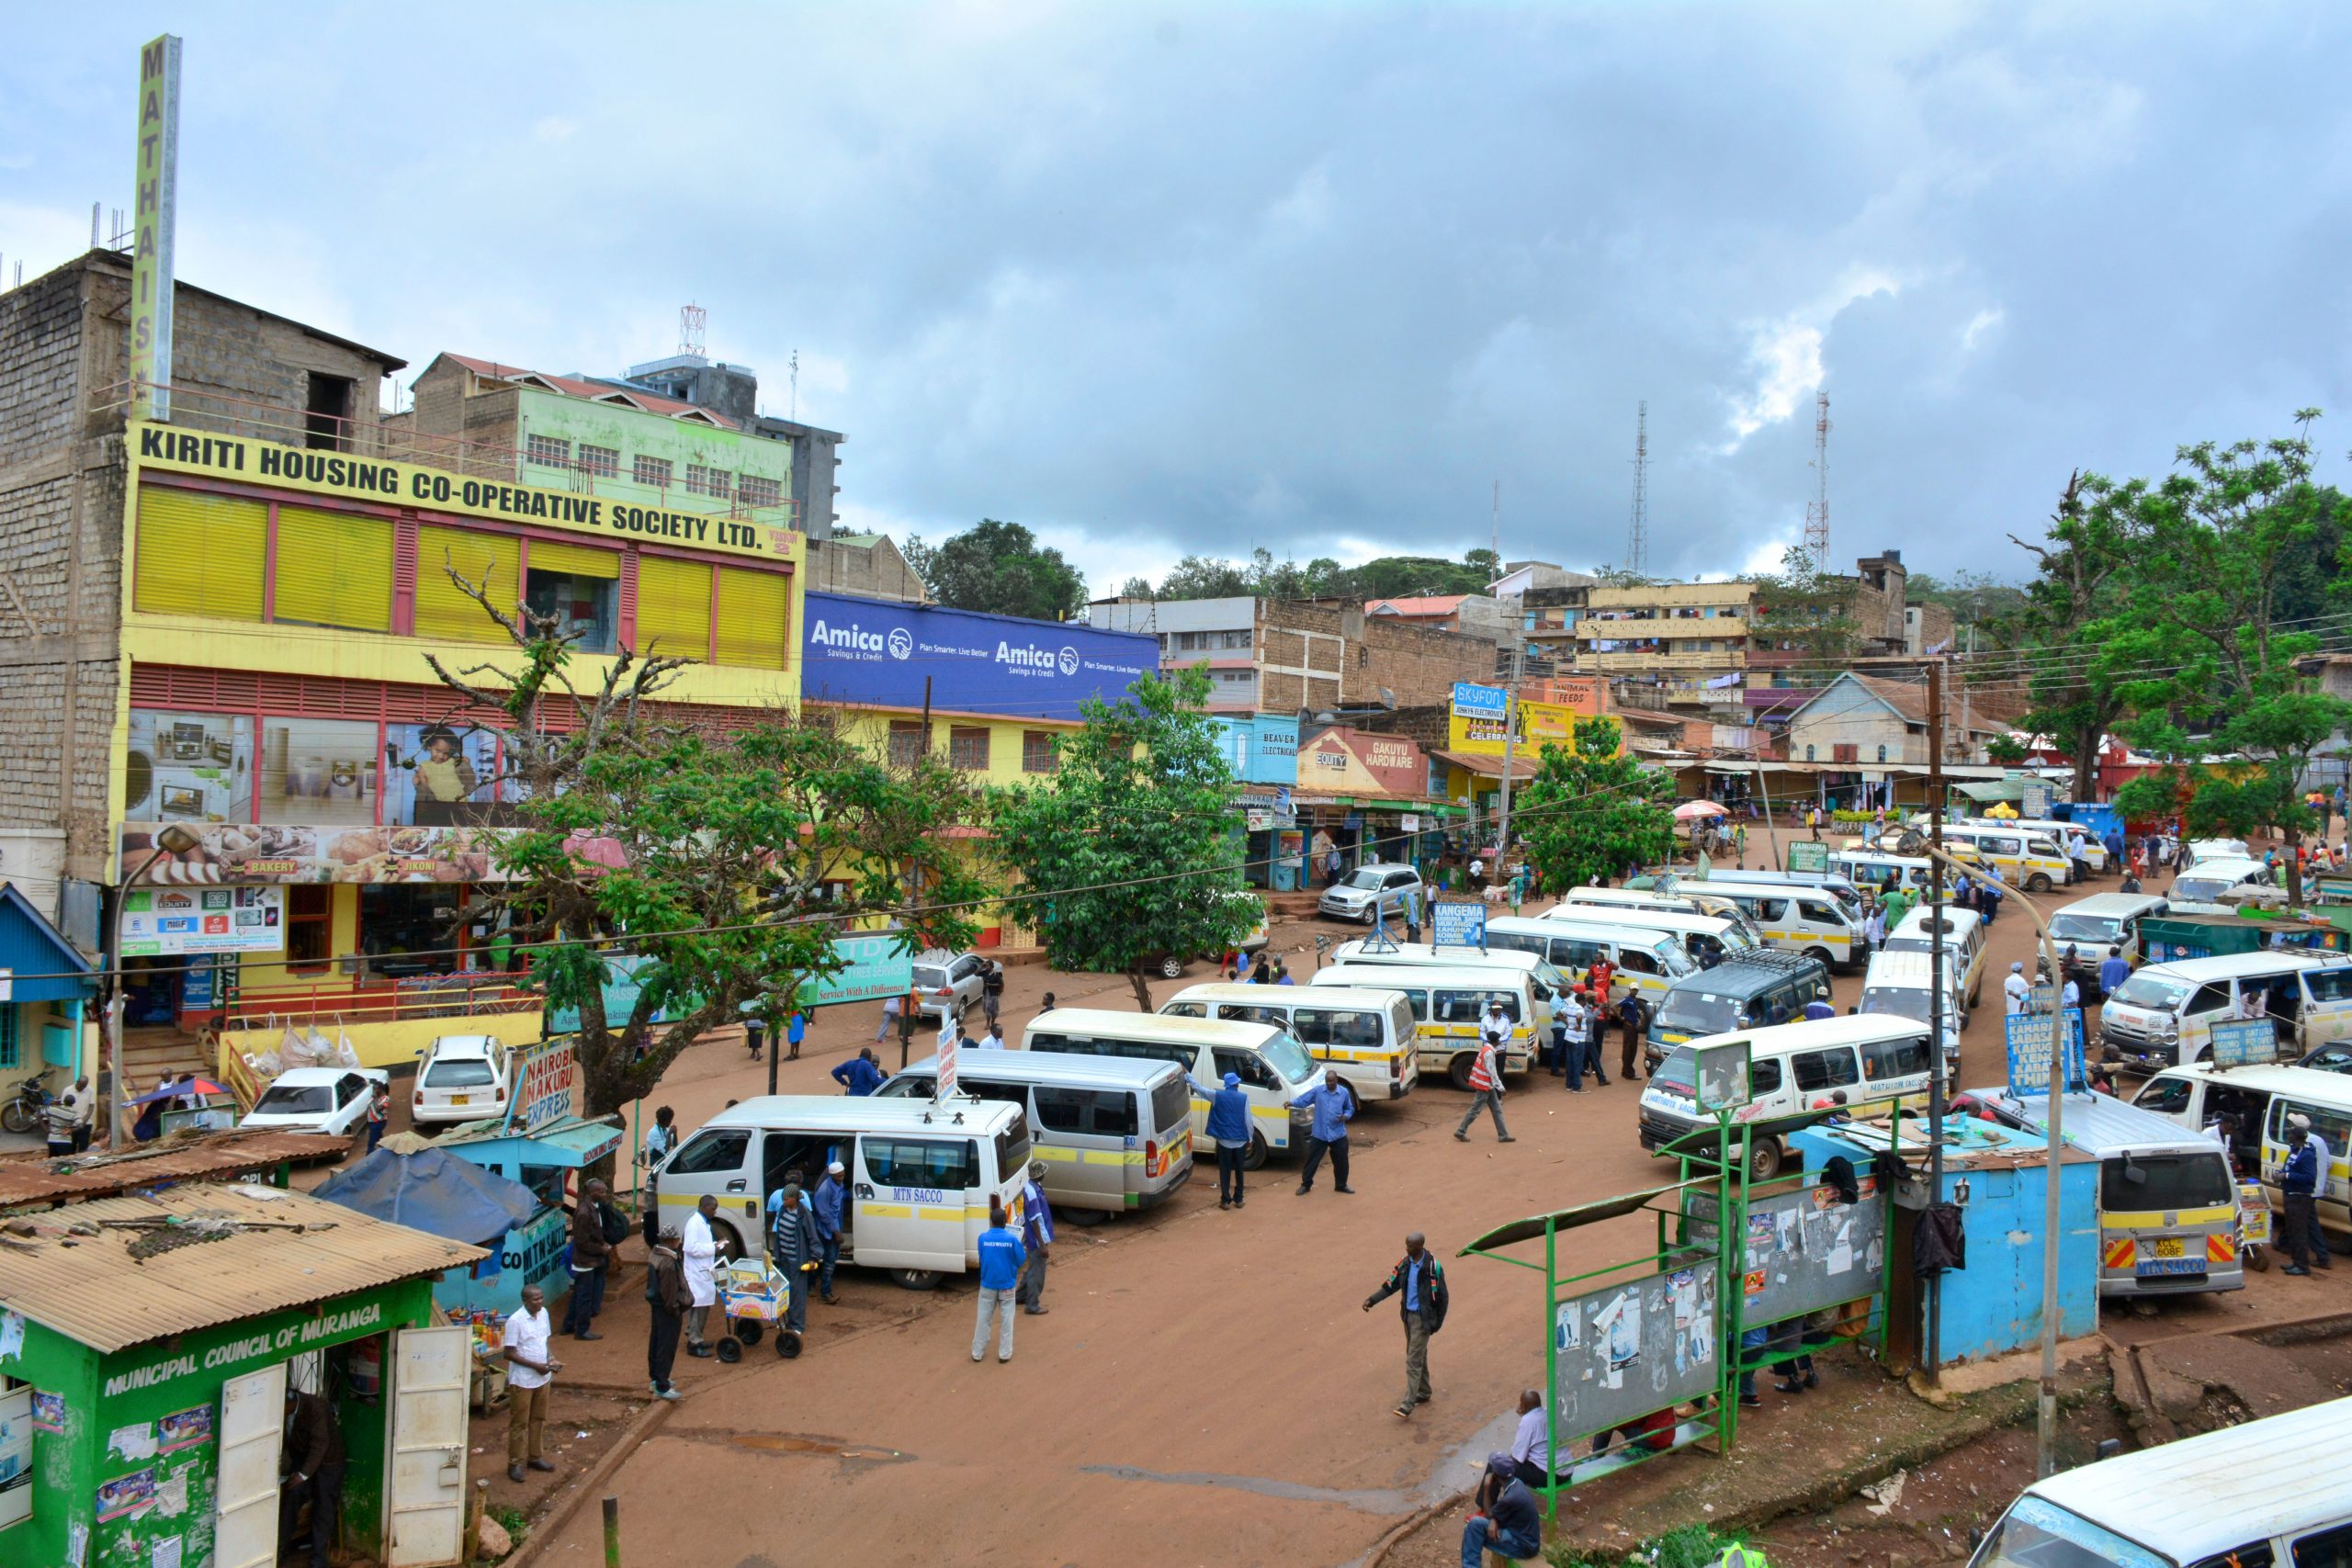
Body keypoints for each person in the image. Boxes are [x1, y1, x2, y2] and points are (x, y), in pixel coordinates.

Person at [1363, 1231, 1448, 1419]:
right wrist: (1372, 1300)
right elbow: (1391, 1285)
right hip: (1408, 1317)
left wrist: (1435, 1324)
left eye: (1409, 1245)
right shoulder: (1405, 1263)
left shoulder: (1432, 1267)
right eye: (1406, 1244)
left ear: (1420, 1246)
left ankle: (1408, 1404)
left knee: (1412, 1360)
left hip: (1423, 1320)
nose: (1406, 1247)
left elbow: (1443, 1298)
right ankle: (1424, 1392)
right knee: (1418, 1354)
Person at [280, 1382, 347, 1568]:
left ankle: (319, 1558)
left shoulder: (314, 1407)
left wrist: (303, 1474)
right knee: (292, 1495)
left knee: (324, 1506)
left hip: (328, 1462)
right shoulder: (285, 1412)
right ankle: (281, 1548)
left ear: (290, 1404)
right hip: (304, 1459)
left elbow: (320, 1444)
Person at [502, 1283, 560, 1481]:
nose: (540, 1302)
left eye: (541, 1298)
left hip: (543, 1377)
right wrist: (535, 1365)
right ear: (525, 1301)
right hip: (523, 1381)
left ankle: (535, 1457)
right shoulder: (515, 1321)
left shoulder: (543, 1314)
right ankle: (514, 1463)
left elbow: (544, 1342)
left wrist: (551, 1359)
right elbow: (509, 1354)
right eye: (535, 1299)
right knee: (519, 1423)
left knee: (538, 1419)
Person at [1459, 1450, 1542, 1566]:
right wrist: (1494, 1519)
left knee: (1473, 1528)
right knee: (1476, 1525)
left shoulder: (1511, 1498)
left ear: (1495, 1475)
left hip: (1523, 1547)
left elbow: (1488, 1515)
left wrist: (1487, 1488)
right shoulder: (1517, 1483)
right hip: (1526, 1539)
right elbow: (1495, 1515)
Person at [972, 1196, 1026, 1363]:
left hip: (987, 1284)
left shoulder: (983, 1238)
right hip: (1007, 1286)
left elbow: (982, 1257)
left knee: (983, 1319)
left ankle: (977, 1352)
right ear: (1005, 1221)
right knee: (1007, 1320)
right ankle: (1004, 1354)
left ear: (991, 1222)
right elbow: (1021, 1261)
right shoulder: (1011, 1240)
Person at [1192, 1069, 1253, 1208]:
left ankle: (1225, 1200)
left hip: (1224, 1141)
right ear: (1236, 1085)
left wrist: (1187, 1076)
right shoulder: (1244, 1098)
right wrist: (1250, 1138)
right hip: (1240, 1141)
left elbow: (1198, 1089)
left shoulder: (1216, 1096)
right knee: (1239, 1170)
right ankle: (1239, 1199)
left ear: (1226, 1085)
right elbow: (1248, 1121)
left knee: (1225, 1171)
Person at [1292, 1068, 1357, 1194]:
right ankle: (1306, 1185)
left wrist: (1346, 1116)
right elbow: (1304, 1100)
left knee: (1342, 1162)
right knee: (1312, 1160)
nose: (1330, 1083)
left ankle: (1341, 1185)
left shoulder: (1343, 1093)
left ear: (1336, 1080)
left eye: (1332, 1081)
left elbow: (1350, 1109)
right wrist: (1292, 1103)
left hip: (1337, 1134)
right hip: (1320, 1134)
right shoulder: (1318, 1091)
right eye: (1327, 1081)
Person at [565, 1179, 614, 1340]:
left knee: (579, 1293)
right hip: (585, 1262)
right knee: (584, 1296)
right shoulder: (585, 1213)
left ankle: (568, 1325)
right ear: (592, 1193)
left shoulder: (594, 1208)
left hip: (589, 1260)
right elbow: (582, 1242)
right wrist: (602, 1249)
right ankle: (582, 1330)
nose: (604, 1194)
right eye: (601, 1191)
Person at [769, 1183, 819, 1340]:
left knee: (797, 1293)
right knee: (784, 1291)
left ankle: (797, 1325)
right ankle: (787, 1321)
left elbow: (813, 1237)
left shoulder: (804, 1215)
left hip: (798, 1261)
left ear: (796, 1199)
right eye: (783, 1198)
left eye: (787, 1198)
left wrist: (813, 1258)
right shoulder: (783, 1210)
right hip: (784, 1258)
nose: (784, 1201)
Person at [1455, 1010, 1513, 1144]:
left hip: (1487, 1084)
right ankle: (1461, 1131)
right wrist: (1501, 1087)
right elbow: (1492, 1072)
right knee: (1475, 1110)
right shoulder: (1489, 1053)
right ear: (1497, 1041)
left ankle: (1503, 1135)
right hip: (1485, 1085)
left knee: (1497, 1109)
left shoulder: (1485, 1049)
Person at [2288, 1113, 2335, 1269]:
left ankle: (2322, 1257)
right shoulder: (2319, 1140)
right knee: (2302, 1221)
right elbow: (2328, 1163)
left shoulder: (2304, 1145)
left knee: (2306, 1224)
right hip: (2315, 1188)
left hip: (2306, 1190)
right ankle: (2285, 1244)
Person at [645, 1225, 687, 1400]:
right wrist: (675, 1309)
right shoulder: (668, 1262)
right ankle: (663, 1385)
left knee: (656, 1341)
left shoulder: (655, 1254)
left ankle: (656, 1378)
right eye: (677, 1239)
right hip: (667, 1308)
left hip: (656, 1305)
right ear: (671, 1241)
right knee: (666, 1346)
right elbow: (669, 1291)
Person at [682, 1194, 720, 1357]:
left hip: (702, 1272)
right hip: (697, 1274)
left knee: (700, 1307)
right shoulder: (694, 1224)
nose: (715, 1212)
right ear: (704, 1207)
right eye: (713, 1209)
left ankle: (695, 1335)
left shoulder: (703, 1223)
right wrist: (713, 1248)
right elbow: (691, 1248)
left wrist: (714, 1245)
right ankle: (694, 1343)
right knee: (699, 1308)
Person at [2280, 1122, 2320, 1276]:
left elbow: (2310, 1177)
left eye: (2290, 1134)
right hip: (2290, 1195)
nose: (2288, 1136)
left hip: (2300, 1198)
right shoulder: (2295, 1151)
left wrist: (2287, 1176)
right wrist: (2282, 1173)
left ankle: (2302, 1266)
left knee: (2299, 1232)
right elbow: (2289, 1168)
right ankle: (2296, 1262)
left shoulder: (2307, 1155)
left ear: (2296, 1137)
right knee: (2292, 1231)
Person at [1016, 1159, 1054, 1314]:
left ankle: (1020, 1297)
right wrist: (1042, 1244)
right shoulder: (1031, 1192)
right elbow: (1035, 1220)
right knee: (1037, 1273)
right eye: (1043, 1172)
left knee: (1032, 1269)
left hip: (1037, 1237)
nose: (1045, 1173)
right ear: (1039, 1174)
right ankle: (1032, 1304)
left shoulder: (1034, 1187)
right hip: (1036, 1239)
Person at [1507, 1389, 1559, 1492]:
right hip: (1566, 1470)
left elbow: (1517, 1456)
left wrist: (1503, 1461)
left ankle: (1486, 1505)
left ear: (1524, 1406)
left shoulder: (1528, 1421)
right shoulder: (1549, 1413)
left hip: (1549, 1476)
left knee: (1497, 1465)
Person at [639, 1105, 678, 1245]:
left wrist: (674, 1134)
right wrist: (669, 1135)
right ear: (665, 1119)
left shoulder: (665, 1129)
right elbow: (665, 1149)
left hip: (667, 1160)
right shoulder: (654, 1133)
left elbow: (675, 1146)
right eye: (669, 1119)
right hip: (658, 1163)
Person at [810, 1159, 847, 1303]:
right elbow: (824, 1214)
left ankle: (819, 1288)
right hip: (825, 1230)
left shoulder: (838, 1184)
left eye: (843, 1175)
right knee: (824, 1260)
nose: (841, 1178)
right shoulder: (824, 1190)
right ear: (832, 1175)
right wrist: (836, 1232)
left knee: (828, 1261)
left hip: (833, 1227)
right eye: (839, 1176)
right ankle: (824, 1292)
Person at [1618, 992, 1651, 1081]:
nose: (1635, 991)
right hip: (1629, 1028)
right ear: (1630, 990)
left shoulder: (1634, 1000)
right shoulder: (1627, 999)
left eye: (1636, 989)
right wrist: (1621, 1018)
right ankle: (1629, 1072)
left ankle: (1625, 1071)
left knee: (1631, 1050)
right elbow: (1615, 1006)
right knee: (1629, 1050)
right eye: (1633, 989)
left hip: (1634, 1028)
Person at [41, 1080, 74, 1157]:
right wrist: (70, 1130)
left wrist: (45, 1128)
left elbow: (40, 1115)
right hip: (65, 1141)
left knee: (52, 1160)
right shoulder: (73, 1113)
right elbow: (80, 1125)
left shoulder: (53, 1109)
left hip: (52, 1139)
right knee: (64, 1162)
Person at [982, 961, 1005, 1028]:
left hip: (993, 994)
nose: (986, 967)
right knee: (986, 1009)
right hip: (986, 993)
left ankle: (991, 1022)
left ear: (991, 967)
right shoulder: (984, 973)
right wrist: (981, 966)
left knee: (993, 1010)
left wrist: (990, 985)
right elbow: (976, 974)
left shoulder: (996, 974)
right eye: (985, 966)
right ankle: (989, 1023)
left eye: (987, 966)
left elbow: (1000, 983)